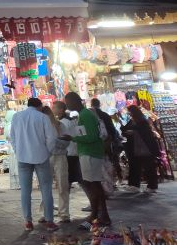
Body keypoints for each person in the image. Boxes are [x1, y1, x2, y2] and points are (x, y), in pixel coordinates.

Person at [60, 92, 111, 230]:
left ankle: (95, 215)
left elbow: (92, 137)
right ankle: (101, 215)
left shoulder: (85, 115)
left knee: (93, 185)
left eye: (68, 102)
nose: (67, 105)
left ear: (75, 101)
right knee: (93, 184)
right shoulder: (84, 115)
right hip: (88, 152)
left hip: (90, 153)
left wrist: (72, 139)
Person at [9, 98, 57, 230]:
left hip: (22, 158)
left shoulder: (17, 117)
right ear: (39, 106)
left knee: (25, 190)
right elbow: (51, 138)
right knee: (46, 189)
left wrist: (18, 151)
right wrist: (48, 152)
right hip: (41, 157)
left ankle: (28, 221)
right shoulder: (43, 117)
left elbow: (12, 137)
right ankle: (49, 221)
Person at [122, 105, 159, 194]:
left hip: (145, 148)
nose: (129, 113)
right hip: (136, 148)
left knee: (149, 167)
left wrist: (133, 132)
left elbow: (145, 133)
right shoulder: (134, 120)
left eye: (130, 112)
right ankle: (134, 185)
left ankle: (152, 186)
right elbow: (125, 129)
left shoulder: (142, 121)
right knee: (135, 166)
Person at [46, 103, 72, 223]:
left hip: (60, 156)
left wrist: (54, 141)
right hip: (46, 157)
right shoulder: (41, 126)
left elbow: (67, 141)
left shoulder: (60, 125)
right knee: (45, 186)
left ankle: (64, 212)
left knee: (63, 185)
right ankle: (45, 212)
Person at [91, 97, 123, 183]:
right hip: (107, 140)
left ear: (91, 105)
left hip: (96, 141)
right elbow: (111, 128)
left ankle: (103, 179)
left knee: (100, 160)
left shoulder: (90, 115)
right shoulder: (105, 115)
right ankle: (117, 177)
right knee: (112, 158)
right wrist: (113, 137)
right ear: (99, 105)